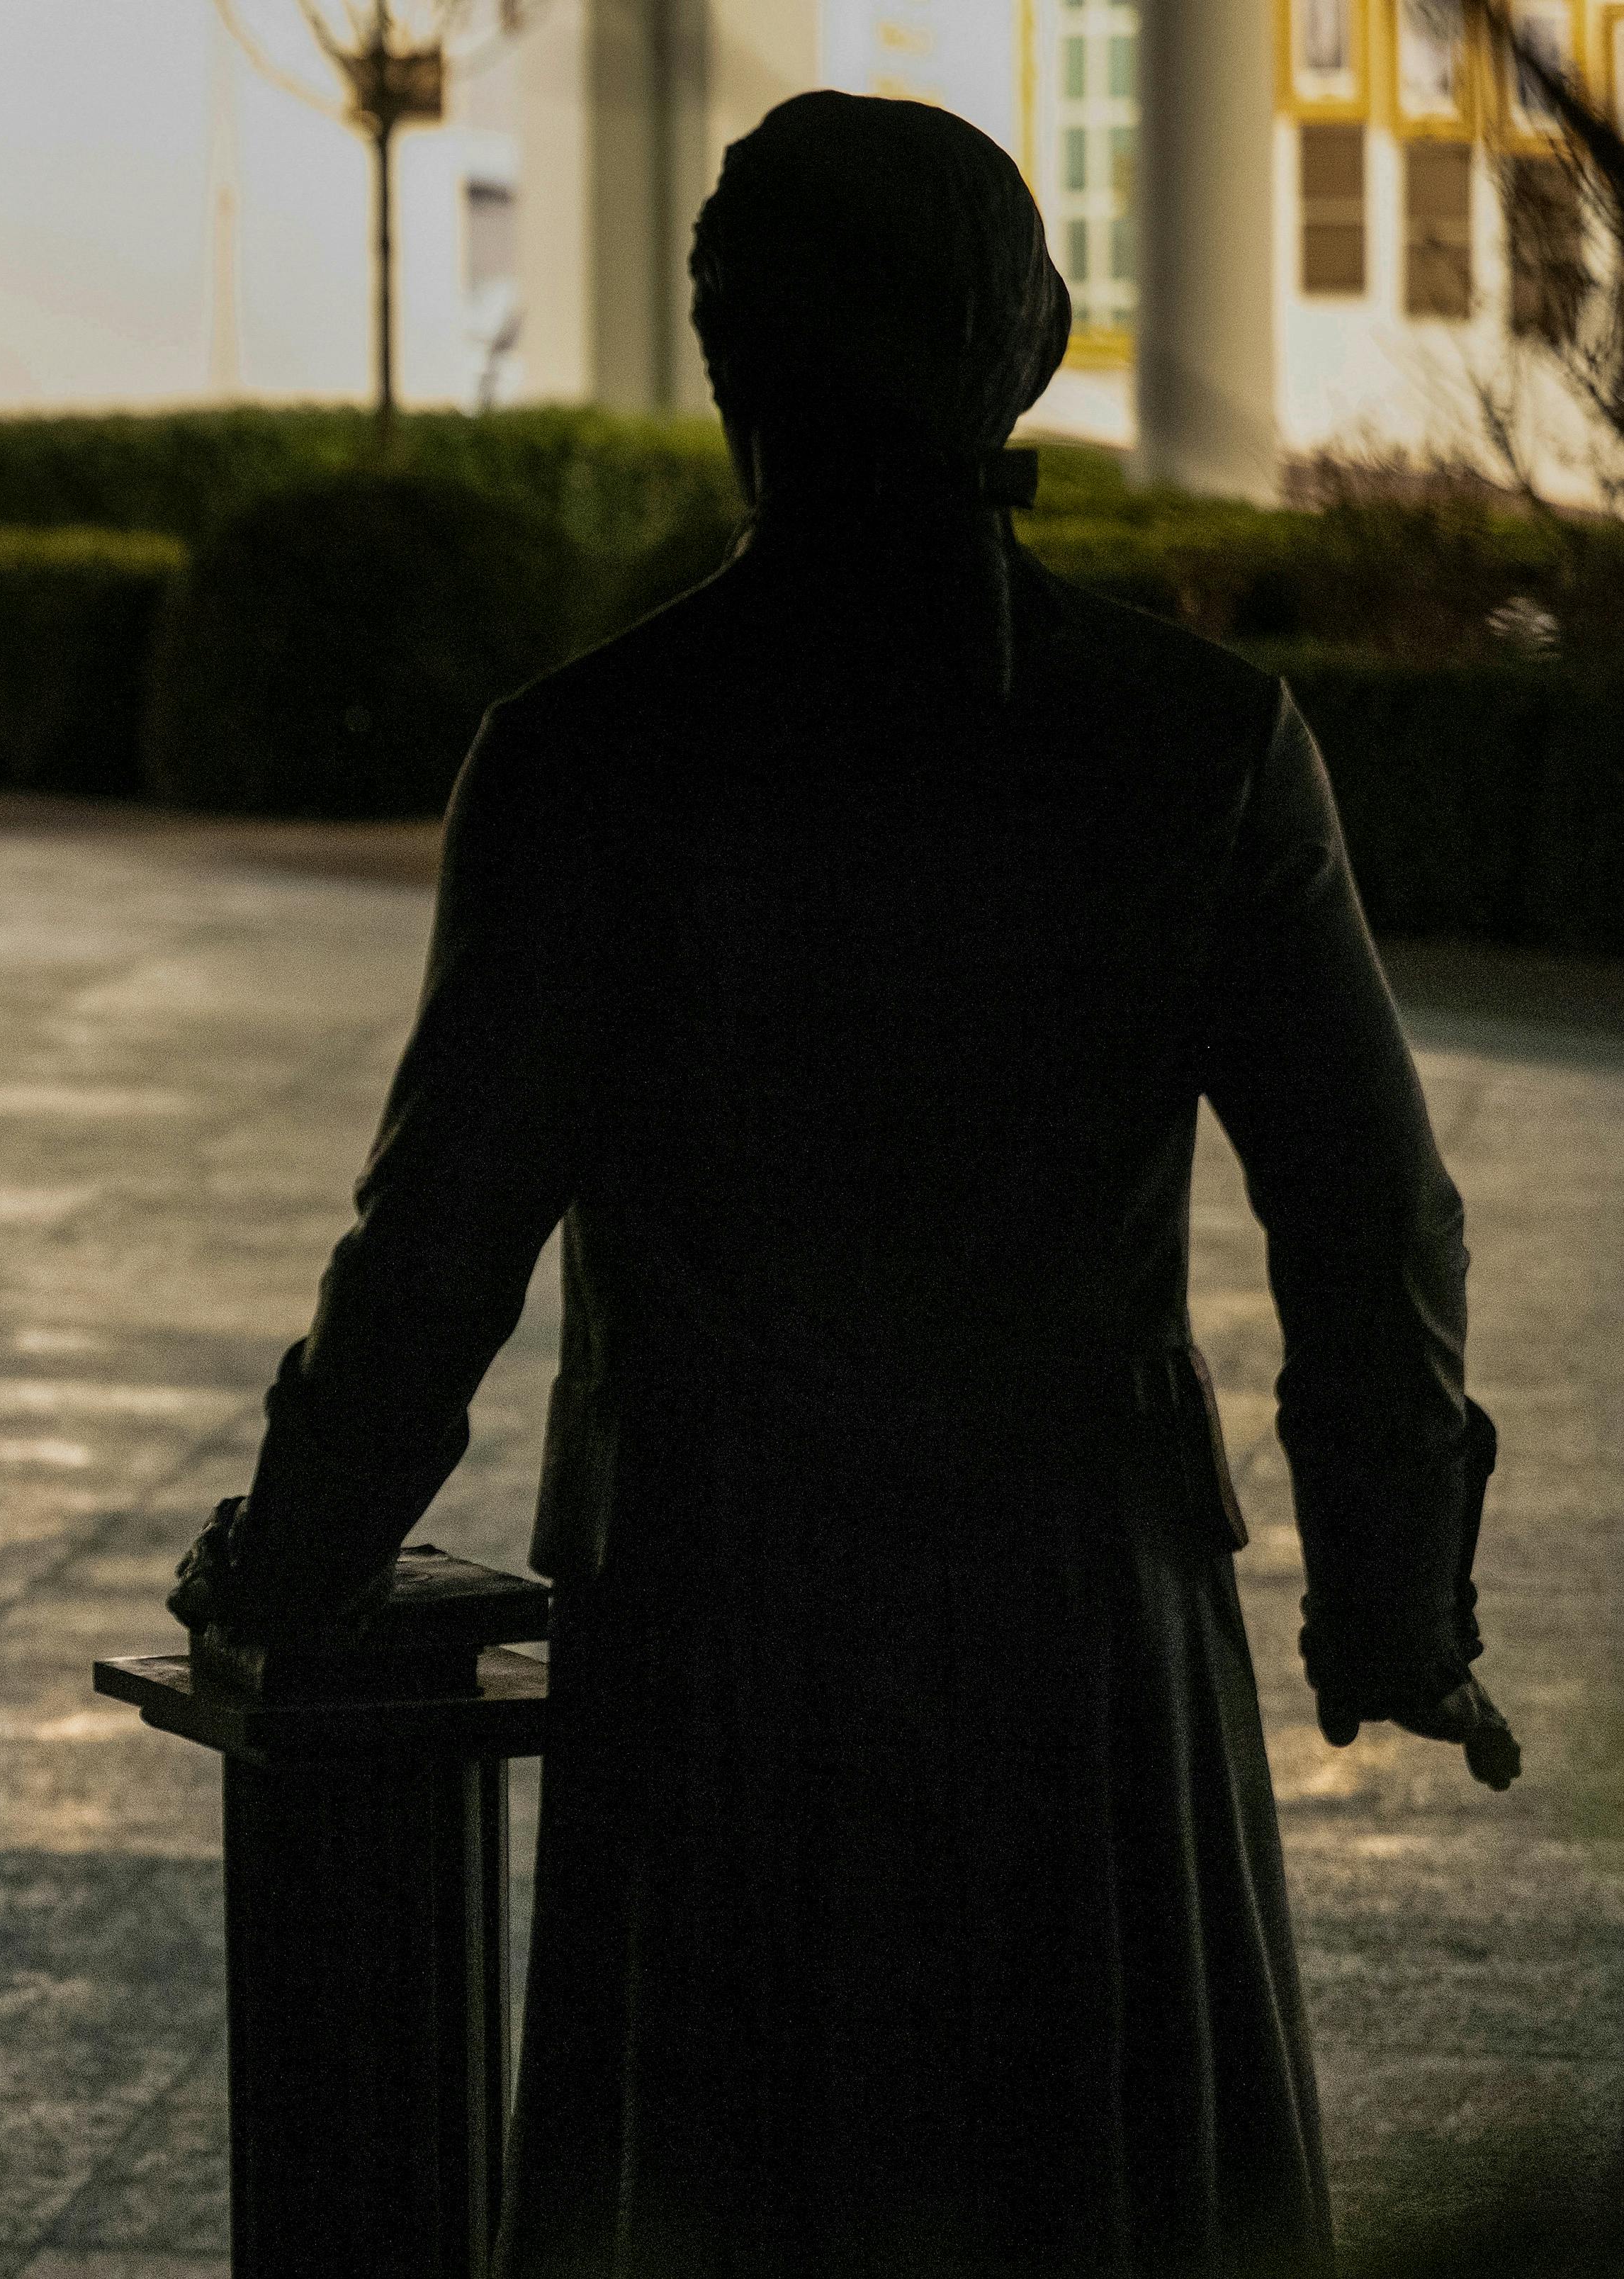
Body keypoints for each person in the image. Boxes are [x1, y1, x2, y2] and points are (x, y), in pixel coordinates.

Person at [168, 92, 1516, 2279]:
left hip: (724, 1624)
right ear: (1028, 349)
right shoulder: (1197, 741)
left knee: (730, 2190)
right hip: (1079, 1620)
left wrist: (290, 1555)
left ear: (733, 368)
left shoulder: (589, 755)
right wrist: (1393, 1605)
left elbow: (438, 1244)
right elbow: (1376, 1224)